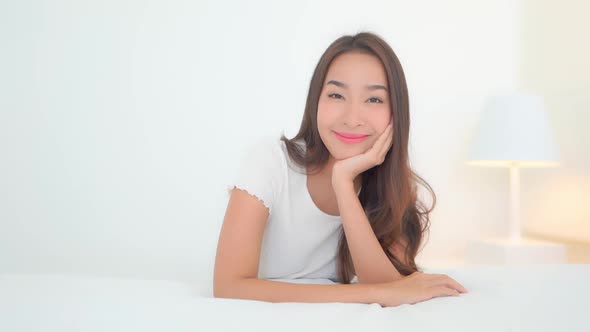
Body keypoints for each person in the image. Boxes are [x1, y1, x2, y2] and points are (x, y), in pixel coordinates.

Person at [213, 31, 468, 307]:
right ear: (316, 102)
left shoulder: (393, 189)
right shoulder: (271, 162)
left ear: (396, 115)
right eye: (336, 95)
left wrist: (344, 184)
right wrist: (372, 295)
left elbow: (392, 288)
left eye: (374, 100)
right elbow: (228, 286)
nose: (352, 118)